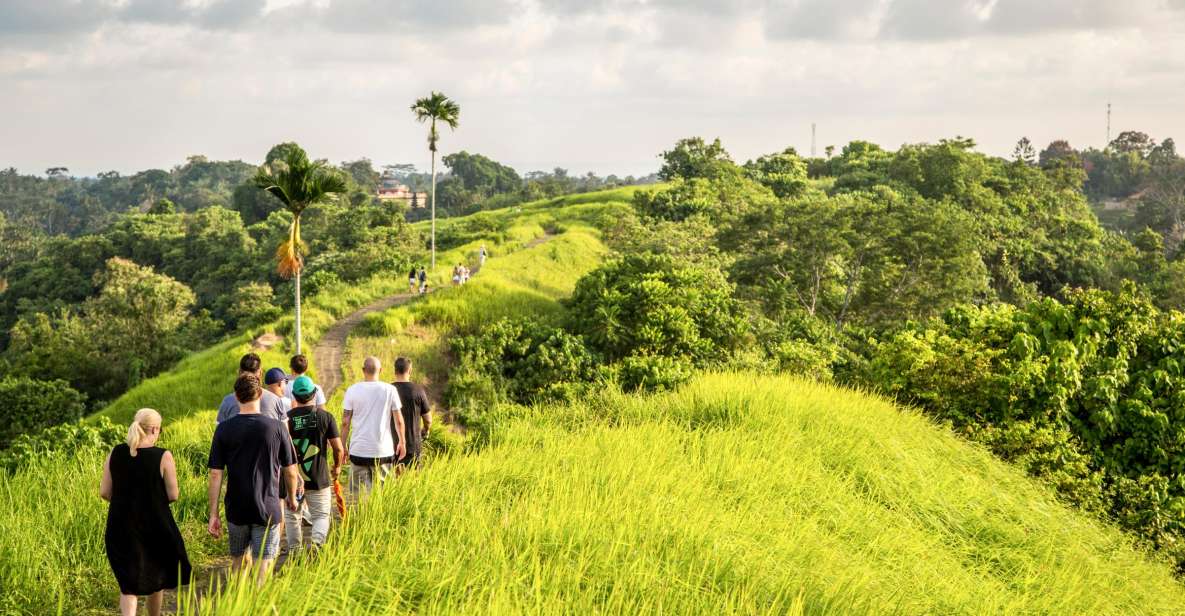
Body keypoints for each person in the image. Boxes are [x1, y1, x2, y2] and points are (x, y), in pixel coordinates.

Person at [207, 374, 299, 584]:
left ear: (236, 397)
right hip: (268, 507)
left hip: (236, 507)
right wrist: (292, 498)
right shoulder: (276, 428)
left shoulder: (224, 429)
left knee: (238, 562)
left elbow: (215, 473)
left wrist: (213, 514)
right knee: (263, 564)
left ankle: (237, 599)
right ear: (260, 394)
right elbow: (291, 470)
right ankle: (257, 605)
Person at [101, 408, 192, 616]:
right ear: (154, 429)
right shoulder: (163, 456)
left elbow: (105, 492)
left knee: (128, 583)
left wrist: (126, 501)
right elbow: (173, 494)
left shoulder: (115, 452)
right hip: (155, 524)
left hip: (120, 525)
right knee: (156, 575)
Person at [284, 376, 344, 552]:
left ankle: (295, 551)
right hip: (319, 477)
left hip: (292, 477)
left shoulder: (286, 419)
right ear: (314, 394)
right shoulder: (326, 417)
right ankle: (317, 543)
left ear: (294, 395)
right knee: (321, 515)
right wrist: (337, 467)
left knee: (292, 516)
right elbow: (338, 449)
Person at [341, 356, 406, 498]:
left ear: (363, 370)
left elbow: (345, 422)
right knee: (383, 496)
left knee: (358, 497)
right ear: (381, 370)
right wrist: (402, 442)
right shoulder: (390, 390)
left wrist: (343, 446)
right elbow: (399, 421)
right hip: (383, 452)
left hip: (358, 451)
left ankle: (361, 519)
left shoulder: (352, 390)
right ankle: (378, 519)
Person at [216, 353, 287, 423]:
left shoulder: (227, 402)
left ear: (239, 372)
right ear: (260, 372)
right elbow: (285, 433)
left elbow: (219, 432)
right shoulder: (275, 400)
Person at [392, 357, 432, 471]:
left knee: (393, 480)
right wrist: (426, 430)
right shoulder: (418, 390)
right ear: (410, 371)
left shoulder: (389, 390)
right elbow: (428, 419)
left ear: (395, 371)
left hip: (391, 444)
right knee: (413, 480)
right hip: (413, 444)